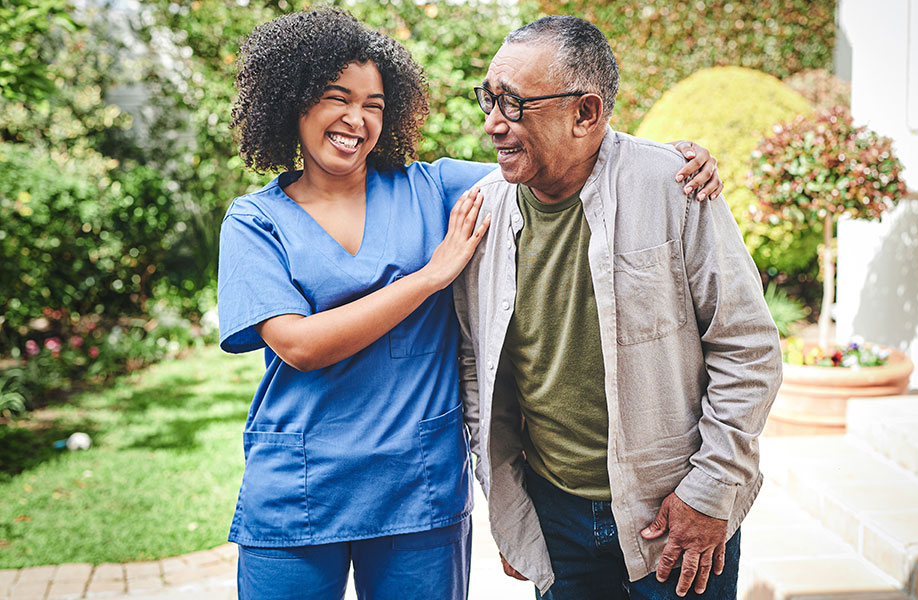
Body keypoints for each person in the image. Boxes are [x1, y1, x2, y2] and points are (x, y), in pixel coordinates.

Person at [217, 9, 722, 600]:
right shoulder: (254, 222)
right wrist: (430, 277)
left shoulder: (436, 189)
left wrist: (672, 161)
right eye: (337, 98)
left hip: (418, 493)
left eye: (375, 104)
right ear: (294, 101)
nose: (356, 119)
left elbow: (561, 155)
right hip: (299, 494)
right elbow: (299, 346)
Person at [453, 15, 783, 600]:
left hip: (677, 515)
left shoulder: (673, 185)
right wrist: (511, 508)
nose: (492, 124)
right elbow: (478, 369)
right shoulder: (481, 211)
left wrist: (710, 490)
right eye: (489, 99)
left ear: (586, 113)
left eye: (513, 105)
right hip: (554, 516)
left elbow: (748, 349)